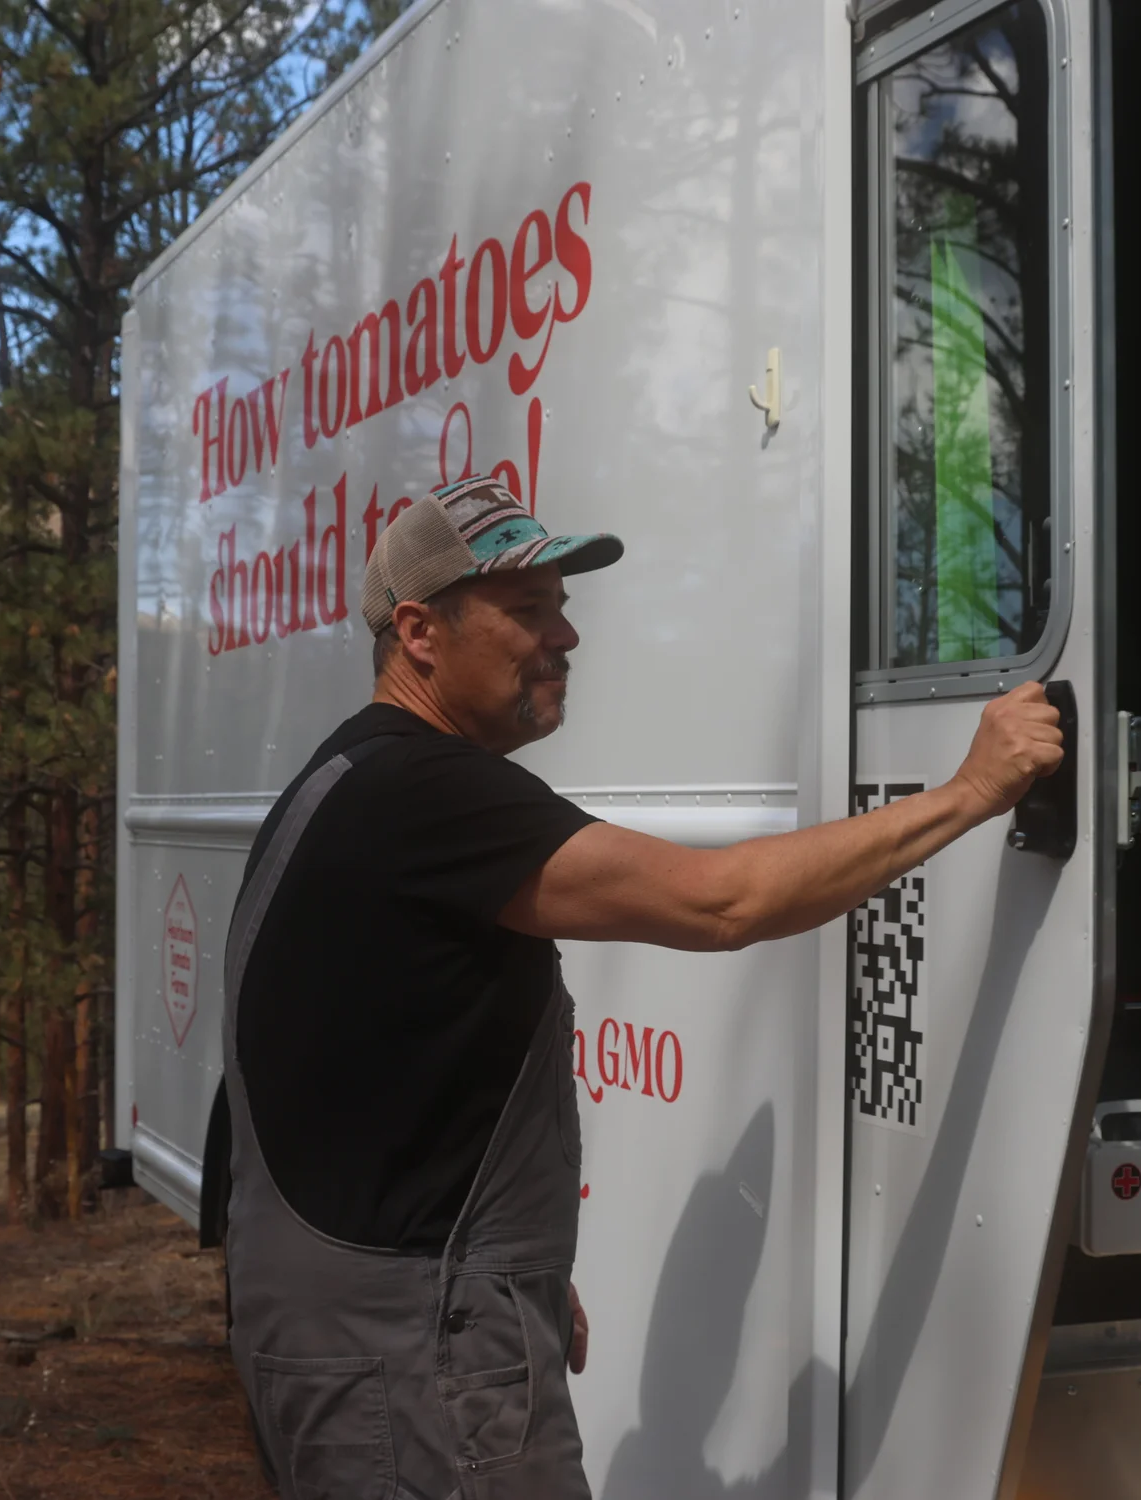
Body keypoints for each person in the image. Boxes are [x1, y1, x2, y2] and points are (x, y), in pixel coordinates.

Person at [221, 476, 1064, 1500]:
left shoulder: (343, 779)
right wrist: (970, 793)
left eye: (563, 608)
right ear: (420, 632)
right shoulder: (425, 794)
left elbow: (340, 1079)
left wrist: (502, 1276)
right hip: (403, 1345)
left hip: (356, 1320)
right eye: (529, 610)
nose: (565, 637)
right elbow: (724, 903)